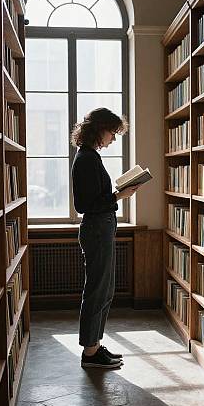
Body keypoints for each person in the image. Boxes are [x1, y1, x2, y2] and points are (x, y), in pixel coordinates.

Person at [71, 108, 139, 368]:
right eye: (112, 132)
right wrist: (118, 196)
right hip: (97, 228)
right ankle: (90, 353)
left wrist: (116, 196)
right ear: (99, 129)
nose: (113, 138)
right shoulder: (87, 158)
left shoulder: (90, 157)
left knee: (105, 289)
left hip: (102, 227)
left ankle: (95, 346)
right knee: (97, 290)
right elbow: (84, 204)